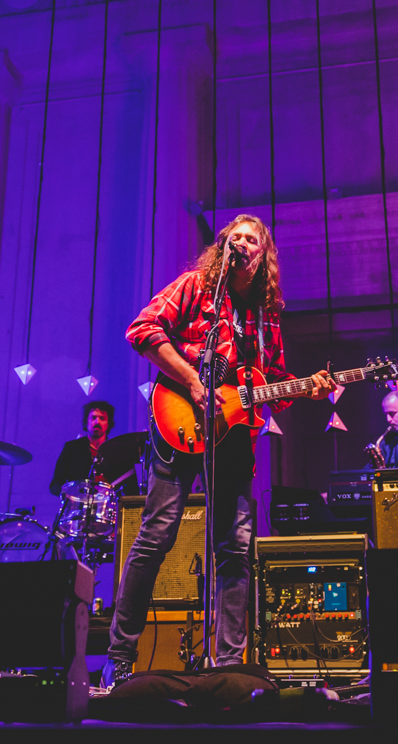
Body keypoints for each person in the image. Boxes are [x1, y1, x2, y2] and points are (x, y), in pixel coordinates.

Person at [106, 214, 338, 682]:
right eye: (235, 237)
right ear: (224, 246)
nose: (242, 243)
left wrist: (307, 388)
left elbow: (271, 384)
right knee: (156, 535)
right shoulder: (196, 286)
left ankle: (229, 664)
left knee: (234, 546)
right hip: (178, 422)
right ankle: (119, 657)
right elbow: (143, 330)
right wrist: (193, 382)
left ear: (263, 253)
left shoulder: (266, 315)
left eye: (252, 239)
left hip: (234, 439)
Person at [49, 401, 116, 494]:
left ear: (109, 423)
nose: (97, 422)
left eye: (102, 418)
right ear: (86, 422)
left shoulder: (115, 451)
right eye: (93, 418)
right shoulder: (71, 448)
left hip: (106, 501)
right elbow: (56, 484)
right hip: (78, 501)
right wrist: (71, 494)